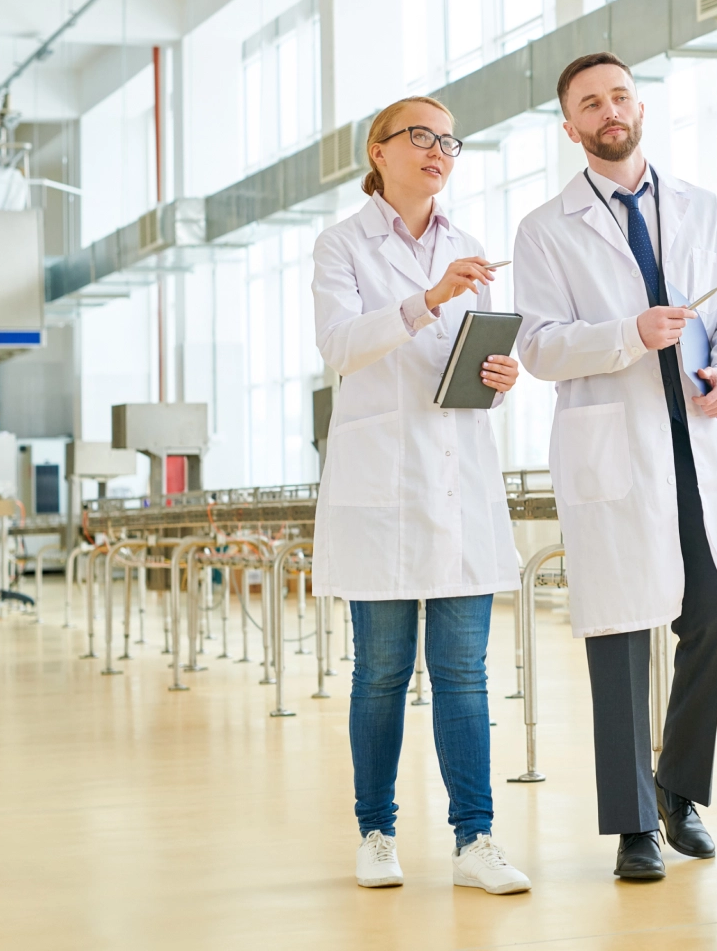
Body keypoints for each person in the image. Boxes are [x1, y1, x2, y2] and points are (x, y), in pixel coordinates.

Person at [513, 52, 717, 881]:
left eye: (619, 95)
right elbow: (540, 347)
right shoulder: (547, 230)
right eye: (590, 103)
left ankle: (678, 790)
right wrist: (630, 333)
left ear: (639, 108)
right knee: (620, 636)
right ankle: (632, 828)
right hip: (614, 453)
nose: (608, 110)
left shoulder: (701, 207)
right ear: (571, 126)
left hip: (695, 444)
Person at [309, 95, 532, 895]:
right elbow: (342, 345)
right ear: (379, 150)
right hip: (382, 490)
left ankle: (476, 839)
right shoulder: (342, 247)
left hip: (460, 484)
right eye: (421, 137)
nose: (438, 150)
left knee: (465, 674)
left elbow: (464, 367)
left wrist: (498, 378)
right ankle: (376, 831)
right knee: (380, 673)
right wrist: (429, 299)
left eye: (449, 141)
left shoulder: (469, 245)